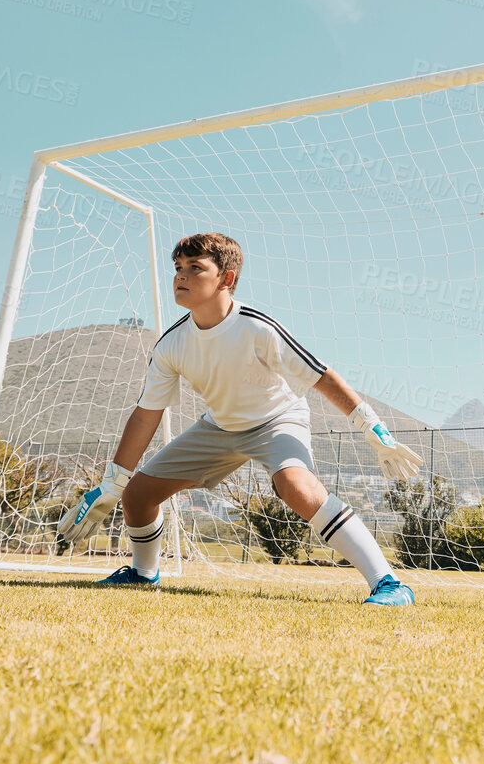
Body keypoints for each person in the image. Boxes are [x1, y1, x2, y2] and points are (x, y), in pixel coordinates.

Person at [58, 232, 421, 605]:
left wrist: (372, 427)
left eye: (195, 268)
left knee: (296, 488)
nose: (181, 276)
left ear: (227, 279)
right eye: (178, 268)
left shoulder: (256, 327)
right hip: (220, 427)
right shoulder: (171, 345)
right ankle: (143, 574)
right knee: (137, 495)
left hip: (278, 420)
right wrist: (112, 483)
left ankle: (389, 584)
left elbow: (321, 376)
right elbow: (147, 413)